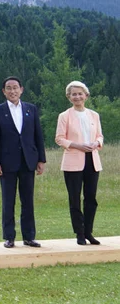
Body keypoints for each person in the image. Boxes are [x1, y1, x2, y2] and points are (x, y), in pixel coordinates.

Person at [0, 77, 46, 248]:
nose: (12, 91)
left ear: (21, 89)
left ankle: (29, 236)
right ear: (3, 91)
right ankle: (9, 237)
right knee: (8, 200)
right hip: (7, 162)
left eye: (15, 88)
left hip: (28, 161)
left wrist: (41, 159)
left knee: (27, 200)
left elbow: (38, 135)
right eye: (8, 88)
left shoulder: (31, 109)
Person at [55, 81, 103, 245]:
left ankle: (89, 231)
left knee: (91, 198)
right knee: (75, 198)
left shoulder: (94, 115)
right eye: (73, 94)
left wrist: (96, 143)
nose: (77, 96)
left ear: (86, 96)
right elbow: (60, 138)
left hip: (92, 160)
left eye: (80, 93)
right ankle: (79, 233)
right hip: (73, 161)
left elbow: (100, 136)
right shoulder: (64, 116)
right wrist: (78, 145)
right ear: (69, 97)